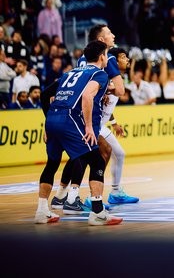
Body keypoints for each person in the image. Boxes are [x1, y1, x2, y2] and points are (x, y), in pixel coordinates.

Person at [34, 40, 123, 225]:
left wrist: (46, 124)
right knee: (97, 160)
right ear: (101, 57)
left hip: (52, 119)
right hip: (71, 120)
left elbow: (44, 96)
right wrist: (89, 127)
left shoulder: (70, 73)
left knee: (52, 163)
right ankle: (98, 212)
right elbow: (87, 95)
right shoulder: (100, 74)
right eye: (106, 55)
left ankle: (42, 211)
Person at [95, 47, 139, 205]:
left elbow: (109, 108)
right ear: (114, 61)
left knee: (119, 154)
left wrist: (114, 123)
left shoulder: (118, 79)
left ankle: (115, 193)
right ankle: (91, 196)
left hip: (101, 124)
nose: (127, 60)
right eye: (123, 57)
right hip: (92, 124)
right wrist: (104, 92)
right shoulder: (105, 77)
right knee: (98, 157)